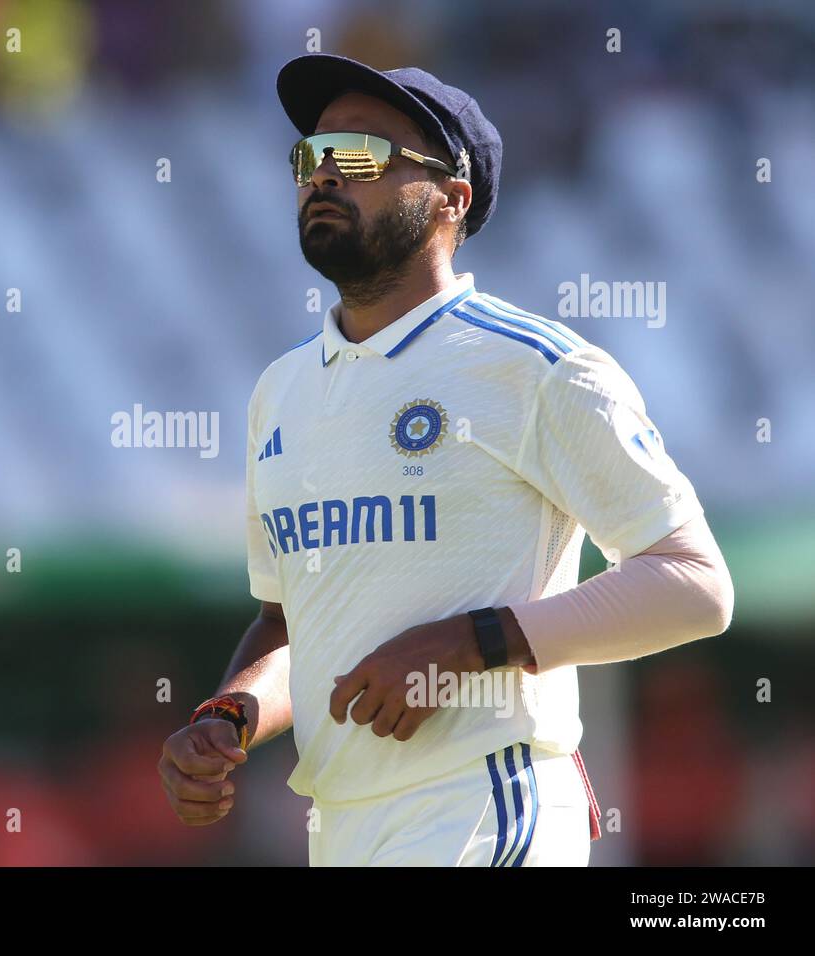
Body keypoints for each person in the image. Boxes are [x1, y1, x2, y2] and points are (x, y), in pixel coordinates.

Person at [157, 55, 734, 866]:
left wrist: (469, 642)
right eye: (311, 157)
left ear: (450, 198)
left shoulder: (537, 368)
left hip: (488, 804)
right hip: (343, 826)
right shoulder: (278, 393)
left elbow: (696, 585)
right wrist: (228, 716)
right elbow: (293, 625)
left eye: (358, 154)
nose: (323, 175)